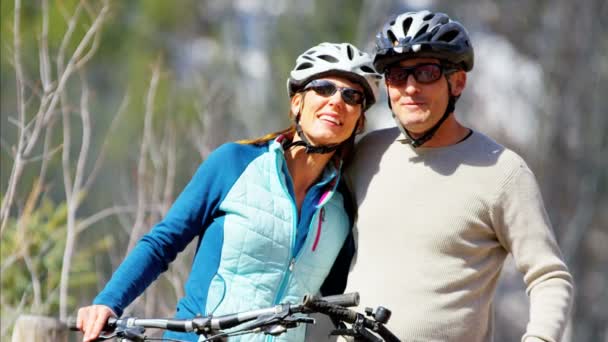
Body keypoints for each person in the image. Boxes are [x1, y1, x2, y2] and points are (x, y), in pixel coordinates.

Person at [75, 42, 381, 342]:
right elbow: (163, 243)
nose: (336, 101)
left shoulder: (341, 207)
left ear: (358, 119)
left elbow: (340, 298)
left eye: (351, 96)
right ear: (297, 103)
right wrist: (108, 302)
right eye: (324, 88)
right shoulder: (234, 163)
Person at [343, 10, 574, 342]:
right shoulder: (366, 154)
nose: (410, 88)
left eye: (426, 72)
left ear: (458, 82)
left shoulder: (503, 172)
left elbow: (549, 277)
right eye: (396, 75)